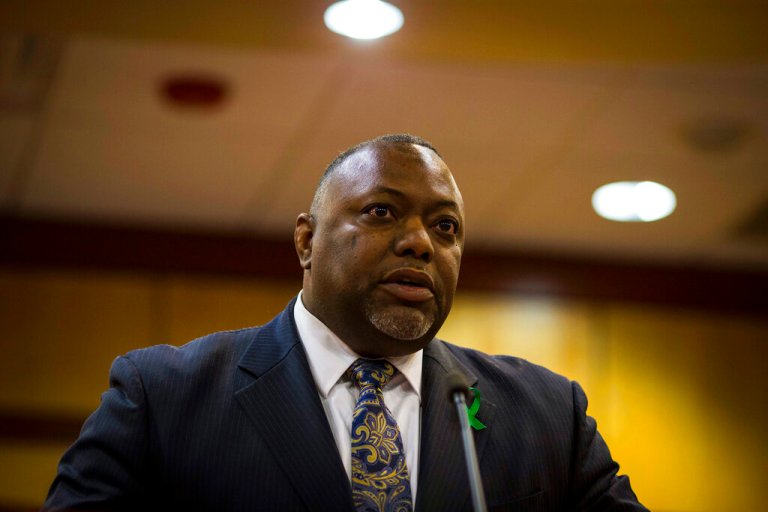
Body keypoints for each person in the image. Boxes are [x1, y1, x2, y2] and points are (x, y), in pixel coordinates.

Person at [44, 134, 648, 511]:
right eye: (382, 212)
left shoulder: (547, 416)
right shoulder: (164, 397)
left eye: (445, 227)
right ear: (306, 241)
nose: (421, 243)